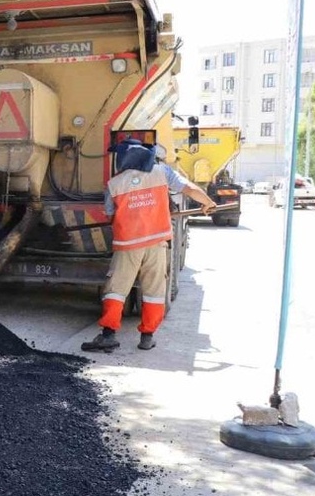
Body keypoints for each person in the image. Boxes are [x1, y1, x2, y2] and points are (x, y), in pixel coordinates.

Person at [81, 141, 217, 353]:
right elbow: (189, 188)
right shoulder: (162, 172)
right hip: (156, 243)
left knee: (116, 290)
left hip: (127, 245)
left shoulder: (114, 184)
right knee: (154, 290)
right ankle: (147, 336)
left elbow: (110, 214)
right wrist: (207, 202)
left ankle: (108, 335)